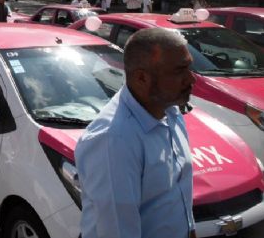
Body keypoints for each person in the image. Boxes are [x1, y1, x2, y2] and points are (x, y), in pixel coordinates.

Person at [75, 28, 196, 238]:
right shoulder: (114, 141)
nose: (191, 79)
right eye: (179, 70)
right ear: (142, 78)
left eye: (189, 67)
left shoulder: (171, 111)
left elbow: (178, 194)